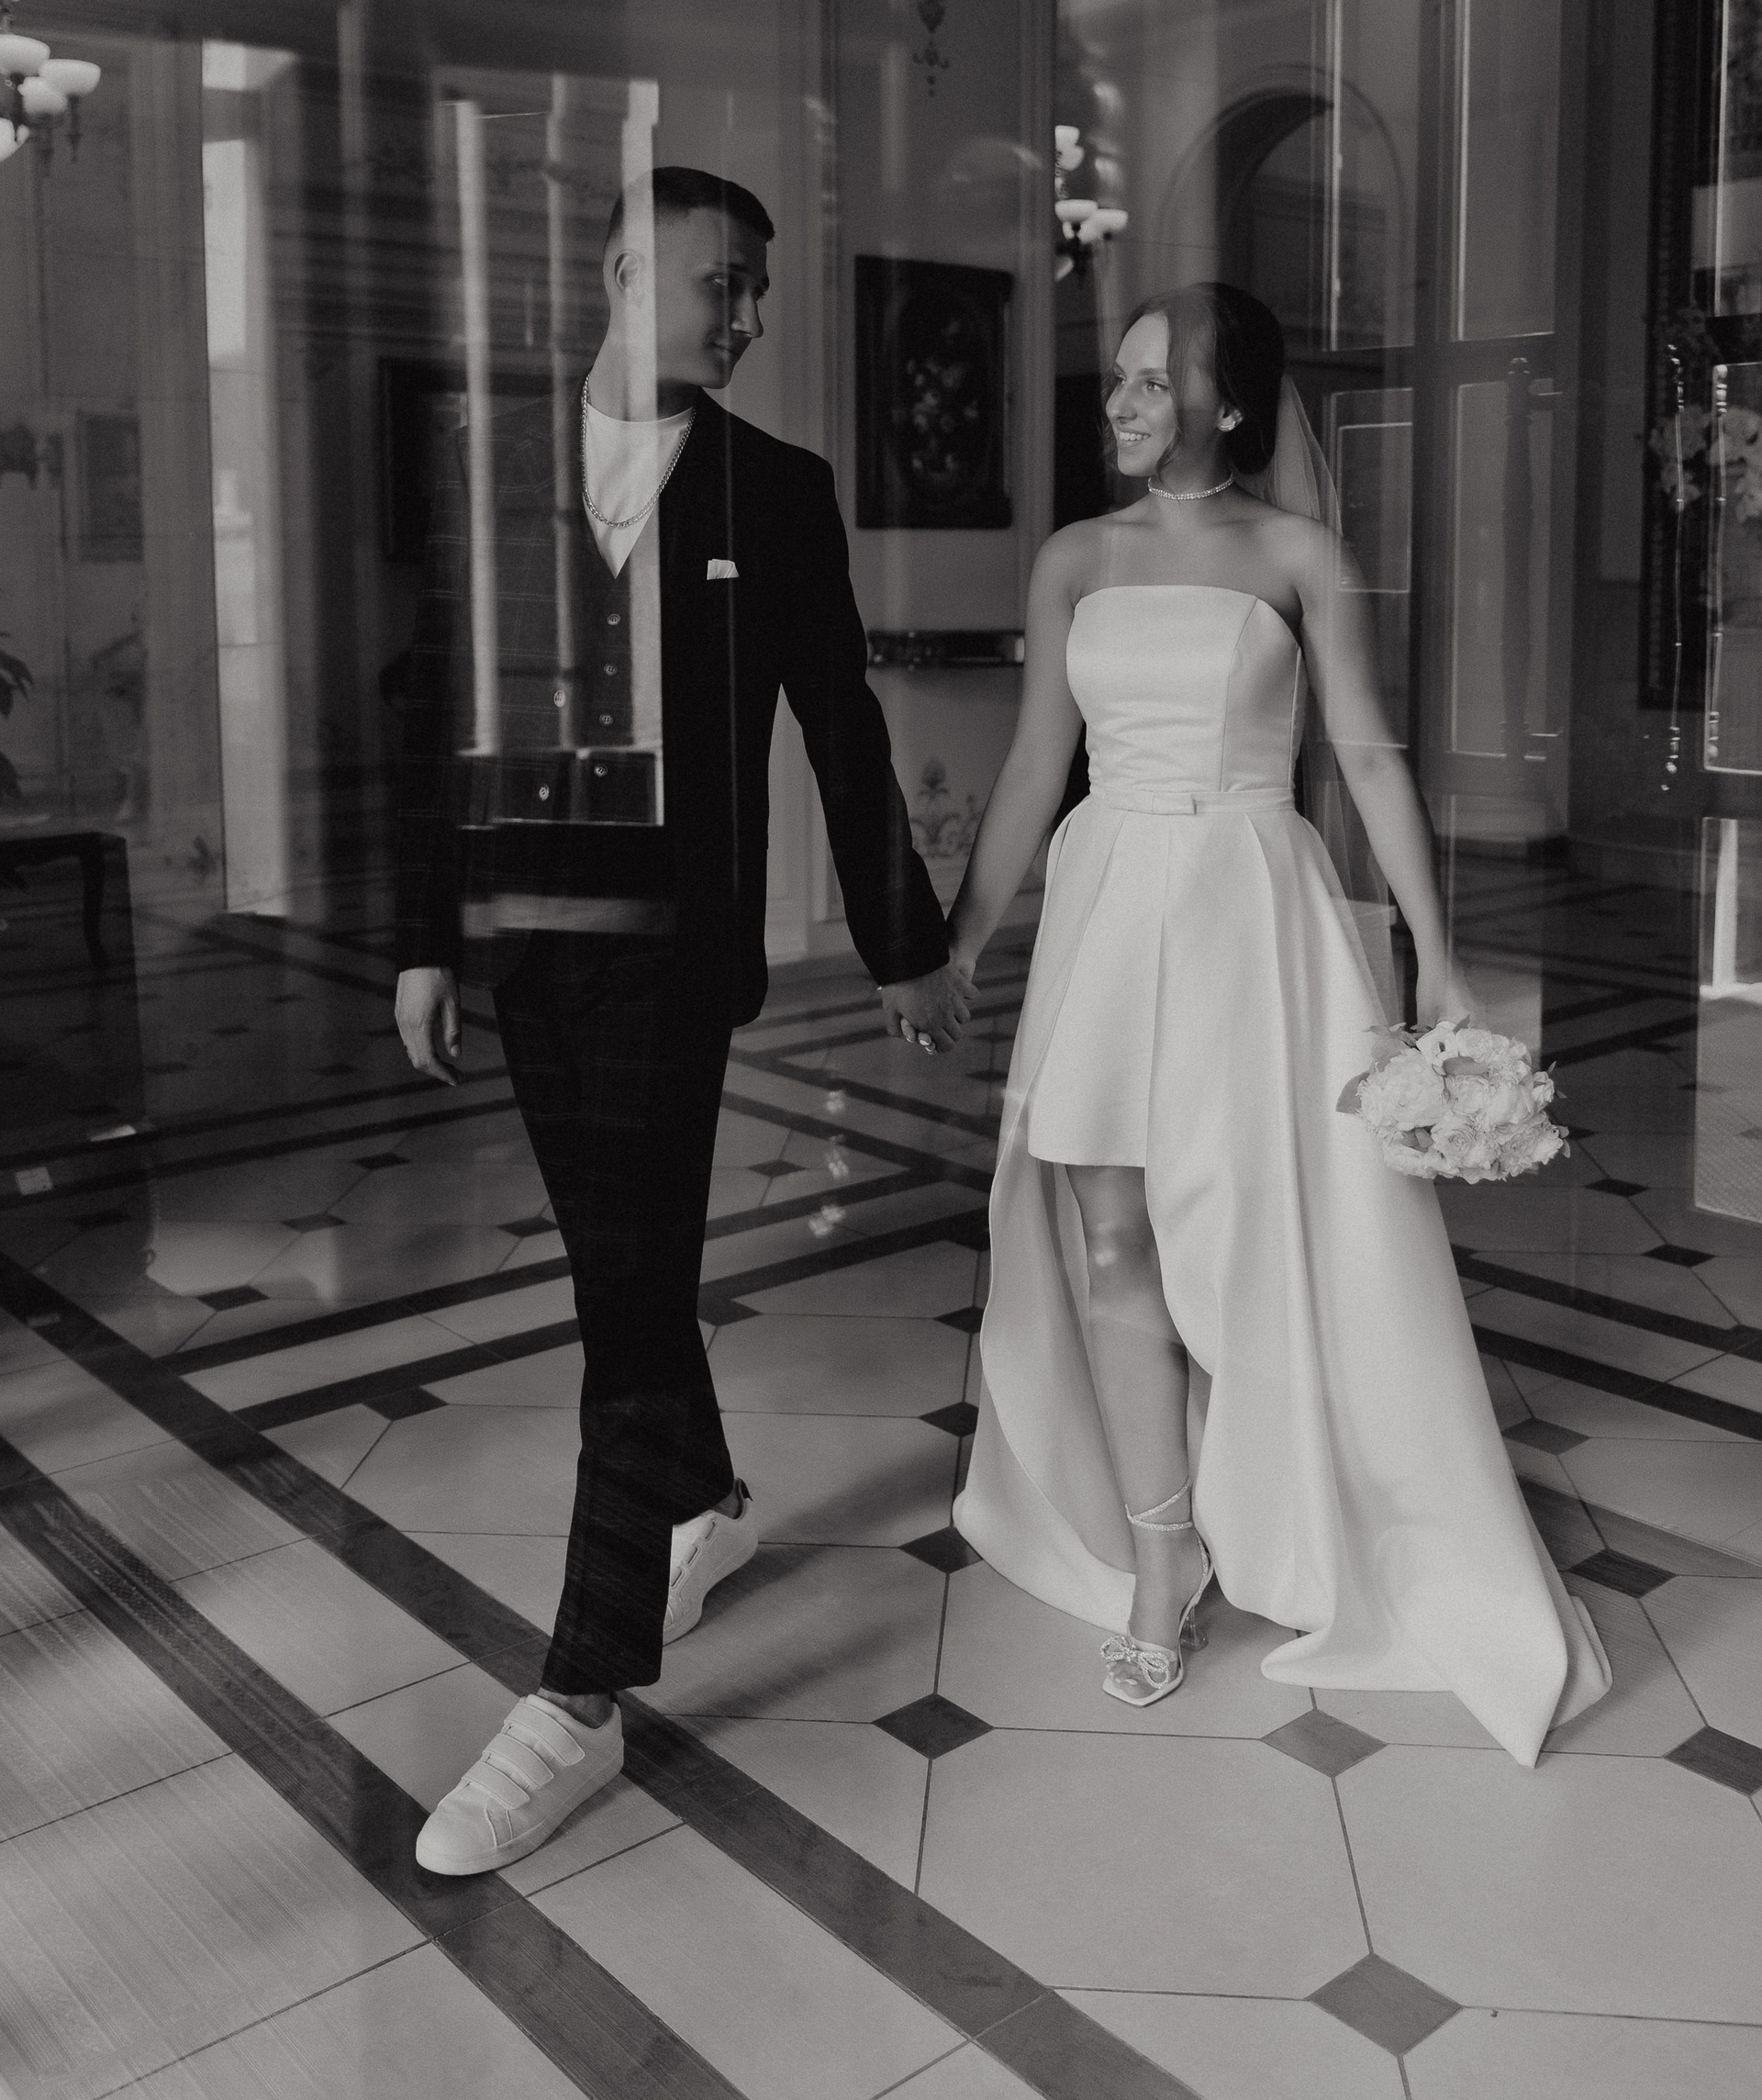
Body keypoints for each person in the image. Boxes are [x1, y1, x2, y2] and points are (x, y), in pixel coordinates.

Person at [943, 284, 1610, 1765]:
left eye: (1150, 379)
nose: (1120, 400)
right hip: (1110, 900)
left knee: (1254, 1230)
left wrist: (1438, 957)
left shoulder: (1301, 557)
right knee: (1112, 1236)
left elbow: (1365, 758)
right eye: (1118, 376)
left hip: (1251, 910)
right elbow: (1039, 761)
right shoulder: (1073, 558)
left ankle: (1294, 1501)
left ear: (1230, 404)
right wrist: (963, 942)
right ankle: (1161, 1555)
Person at [393, 167, 971, 1873]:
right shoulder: (493, 464)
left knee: (629, 1303)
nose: (751, 317)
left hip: (671, 964)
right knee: (619, 1274)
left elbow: (840, 724)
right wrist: (426, 938)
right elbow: (442, 710)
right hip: (528, 953)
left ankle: (578, 1693)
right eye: (729, 283)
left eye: (758, 291)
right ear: (627, 270)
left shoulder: (775, 492)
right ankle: (706, 1498)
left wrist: (901, 940)